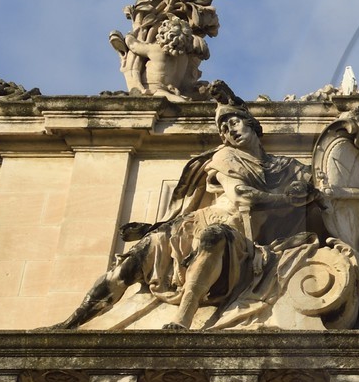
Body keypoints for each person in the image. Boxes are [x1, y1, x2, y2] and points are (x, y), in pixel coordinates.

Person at [53, 98, 313, 330]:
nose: (230, 131)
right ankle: (70, 324)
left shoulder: (287, 166)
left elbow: (318, 185)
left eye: (234, 122)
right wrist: (285, 198)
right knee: (126, 268)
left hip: (235, 234)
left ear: (253, 125)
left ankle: (183, 318)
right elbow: (241, 195)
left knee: (215, 238)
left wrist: (310, 192)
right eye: (224, 129)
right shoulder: (225, 156)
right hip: (197, 224)